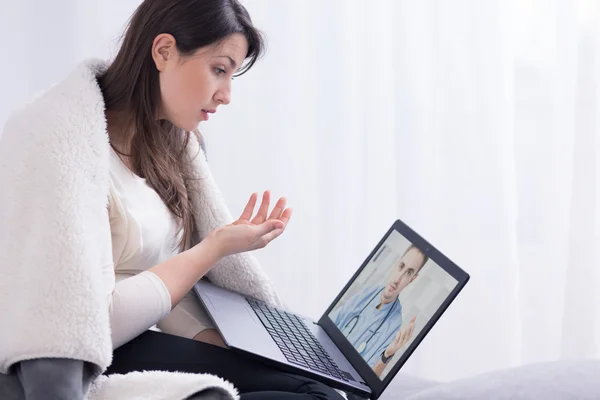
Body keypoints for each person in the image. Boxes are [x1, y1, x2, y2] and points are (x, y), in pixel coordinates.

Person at [0, 0, 354, 399]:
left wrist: (213, 341)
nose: (227, 95)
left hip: (142, 337)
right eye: (219, 69)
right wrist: (213, 249)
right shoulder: (63, 143)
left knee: (327, 387)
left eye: (232, 75)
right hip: (96, 355)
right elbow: (86, 322)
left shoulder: (172, 145)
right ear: (164, 51)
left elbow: (158, 271)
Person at [330, 244, 429, 377]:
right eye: (401, 266)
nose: (397, 279)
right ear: (396, 264)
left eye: (409, 273)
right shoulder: (367, 293)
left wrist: (387, 355)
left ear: (412, 279)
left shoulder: (394, 325)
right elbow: (331, 322)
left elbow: (369, 379)